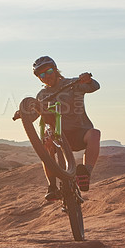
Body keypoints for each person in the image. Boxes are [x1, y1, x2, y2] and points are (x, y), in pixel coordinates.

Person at [31, 56, 101, 201]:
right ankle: (52, 187)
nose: (46, 76)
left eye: (49, 71)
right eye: (42, 75)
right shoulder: (42, 95)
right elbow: (33, 115)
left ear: (55, 70)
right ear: (39, 78)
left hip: (79, 132)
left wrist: (88, 80)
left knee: (95, 134)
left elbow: (94, 87)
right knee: (46, 144)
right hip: (59, 136)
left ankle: (85, 173)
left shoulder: (73, 83)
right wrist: (23, 112)